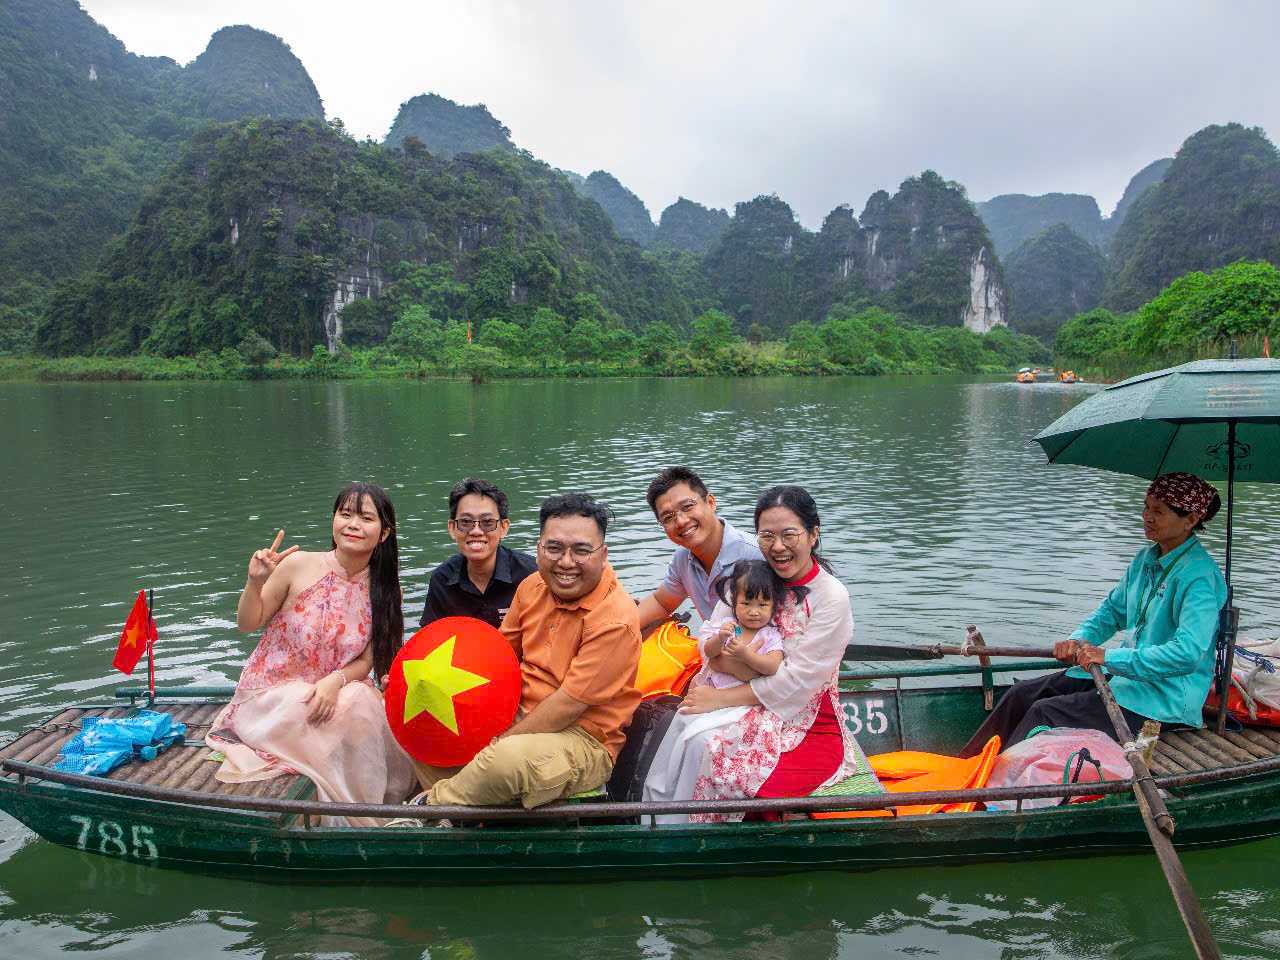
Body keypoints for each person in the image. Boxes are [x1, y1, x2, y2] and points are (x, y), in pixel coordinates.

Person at [643, 485, 878, 823]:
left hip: (805, 718)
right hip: (745, 696)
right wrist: (734, 666)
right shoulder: (754, 574)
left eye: (789, 535)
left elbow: (797, 685)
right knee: (683, 730)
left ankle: (701, 833)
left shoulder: (830, 597)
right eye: (767, 536)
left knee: (712, 748)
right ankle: (665, 824)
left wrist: (719, 697)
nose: (777, 547)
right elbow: (712, 637)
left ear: (813, 534)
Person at [959, 473, 1228, 758]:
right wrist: (1077, 641)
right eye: (1146, 507)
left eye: (1158, 511)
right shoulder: (1146, 560)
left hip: (1163, 698)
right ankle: (965, 769)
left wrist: (1108, 657)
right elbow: (1112, 612)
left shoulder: (1199, 578)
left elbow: (1187, 654)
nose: (1147, 516)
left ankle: (989, 792)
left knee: (1045, 712)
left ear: (1191, 520)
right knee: (1021, 695)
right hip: (1122, 677)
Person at [406, 492, 642, 810]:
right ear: (539, 548)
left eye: (581, 550)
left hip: (583, 739)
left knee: (504, 760)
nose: (566, 562)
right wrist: (423, 682)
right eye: (554, 548)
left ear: (603, 554)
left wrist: (501, 740)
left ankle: (429, 808)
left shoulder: (615, 619)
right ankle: (462, 812)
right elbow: (496, 656)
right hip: (517, 712)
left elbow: (567, 705)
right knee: (425, 726)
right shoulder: (532, 586)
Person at [208, 482, 415, 825]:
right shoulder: (298, 566)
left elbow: (368, 661)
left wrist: (335, 681)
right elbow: (248, 623)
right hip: (272, 695)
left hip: (335, 693)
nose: (352, 524)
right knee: (338, 707)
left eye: (365, 518)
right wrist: (254, 581)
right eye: (345, 514)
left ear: (384, 533)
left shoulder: (387, 589)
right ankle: (357, 820)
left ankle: (369, 810)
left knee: (364, 703)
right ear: (333, 520)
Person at [643, 560, 787, 810]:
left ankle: (694, 800)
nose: (754, 611)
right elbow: (709, 653)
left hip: (740, 704)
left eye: (762, 605)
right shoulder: (727, 627)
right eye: (746, 604)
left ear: (773, 606)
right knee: (681, 721)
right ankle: (663, 790)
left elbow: (772, 667)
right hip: (712, 694)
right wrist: (720, 639)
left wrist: (745, 655)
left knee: (701, 739)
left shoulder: (769, 635)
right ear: (734, 603)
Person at [635, 466, 763, 629]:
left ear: (710, 502)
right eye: (668, 517)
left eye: (687, 507)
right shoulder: (682, 559)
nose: (681, 521)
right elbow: (662, 603)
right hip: (715, 649)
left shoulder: (756, 554)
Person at [419, 478, 537, 631]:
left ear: (504, 527)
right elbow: (430, 639)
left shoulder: (531, 575)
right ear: (452, 528)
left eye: (487, 522)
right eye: (466, 522)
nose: (476, 531)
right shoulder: (442, 580)